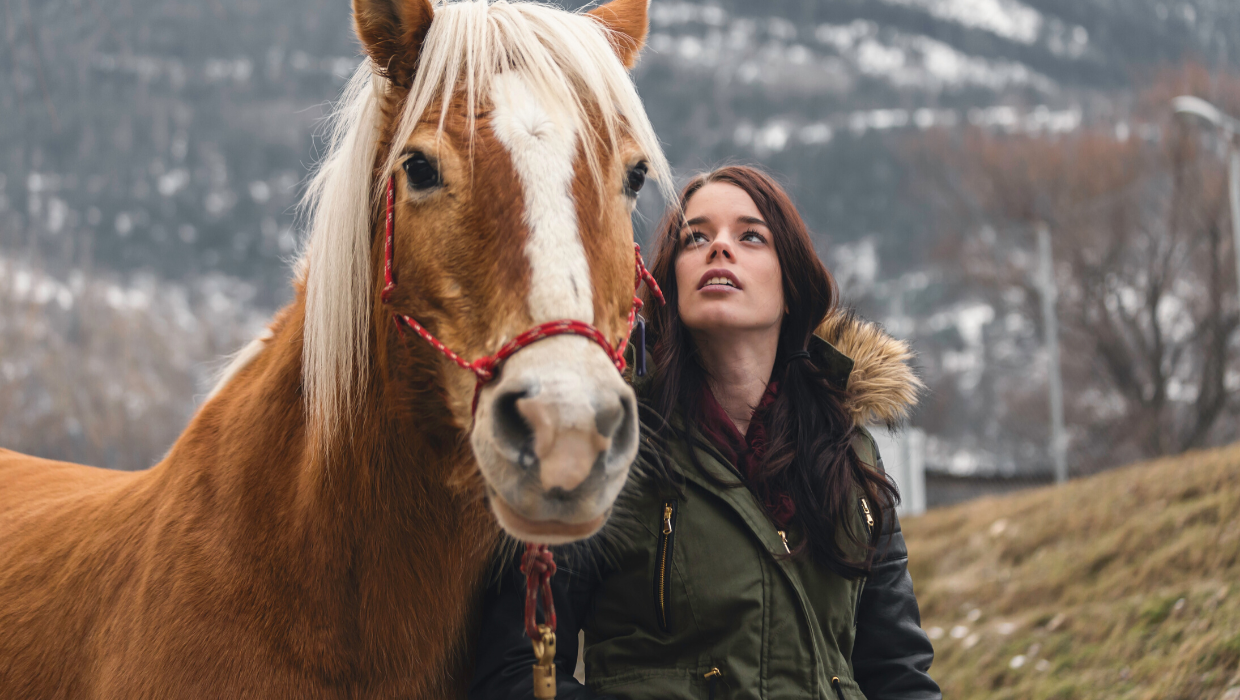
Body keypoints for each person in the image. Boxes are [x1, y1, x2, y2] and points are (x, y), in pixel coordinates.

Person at [469, 165, 940, 700]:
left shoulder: (850, 455)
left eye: (750, 236)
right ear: (668, 281)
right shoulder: (600, 443)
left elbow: (899, 674)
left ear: (791, 287)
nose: (719, 248)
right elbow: (517, 674)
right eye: (695, 237)